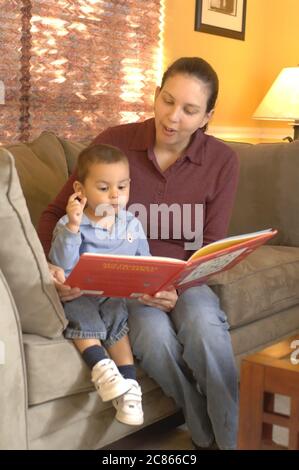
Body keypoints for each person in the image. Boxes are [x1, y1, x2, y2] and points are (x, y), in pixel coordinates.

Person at [39, 57, 239, 449]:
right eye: (167, 100)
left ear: (207, 117)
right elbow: (53, 213)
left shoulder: (222, 161)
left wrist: (177, 289)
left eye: (189, 110)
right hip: (128, 286)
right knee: (152, 338)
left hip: (185, 279)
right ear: (155, 94)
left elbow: (213, 245)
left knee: (203, 326)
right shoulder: (116, 141)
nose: (173, 117)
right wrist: (51, 267)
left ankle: (232, 440)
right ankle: (201, 429)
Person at [49, 144, 150, 426]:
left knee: (118, 316)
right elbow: (60, 263)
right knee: (79, 308)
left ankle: (130, 387)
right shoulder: (70, 223)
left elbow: (146, 262)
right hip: (80, 292)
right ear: (80, 190)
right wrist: (72, 226)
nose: (115, 196)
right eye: (104, 188)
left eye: (122, 187)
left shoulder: (131, 224)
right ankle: (101, 367)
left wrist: (154, 283)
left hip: (115, 295)